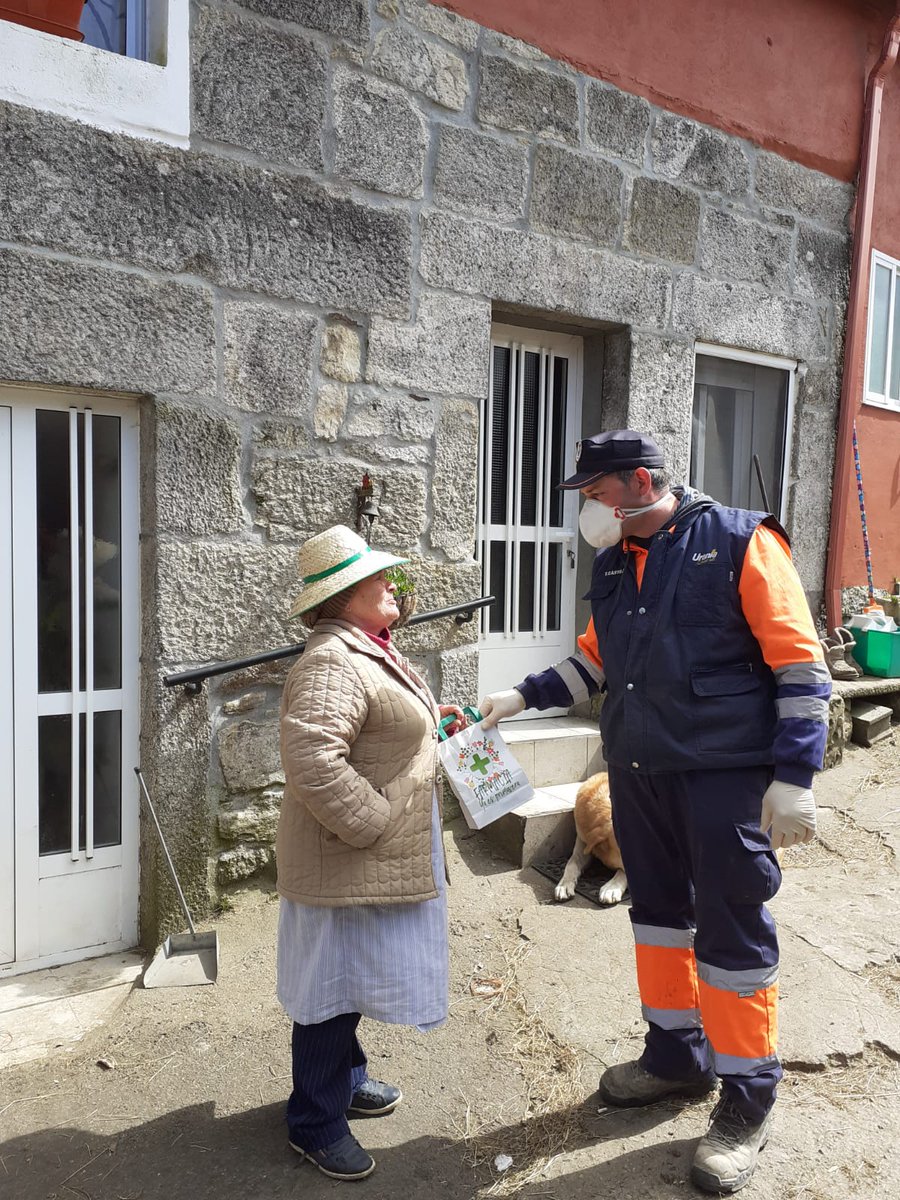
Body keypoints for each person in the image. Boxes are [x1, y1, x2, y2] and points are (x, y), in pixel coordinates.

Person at [479, 430, 830, 1195]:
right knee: (660, 920)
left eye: (596, 492)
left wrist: (796, 776)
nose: (588, 509)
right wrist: (519, 698)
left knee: (732, 930)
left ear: (640, 482)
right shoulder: (615, 563)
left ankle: (746, 1098)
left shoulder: (740, 542)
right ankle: (676, 1056)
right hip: (640, 775)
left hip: (723, 781)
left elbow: (801, 665)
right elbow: (595, 660)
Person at [277, 524, 466, 1181]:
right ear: (342, 595)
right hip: (350, 857)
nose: (394, 584)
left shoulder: (365, 648)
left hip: (362, 859)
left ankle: (345, 1081)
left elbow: (374, 728)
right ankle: (314, 1123)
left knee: (346, 979)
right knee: (329, 990)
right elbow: (313, 762)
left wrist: (430, 720)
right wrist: (375, 823)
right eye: (379, 577)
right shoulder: (332, 660)